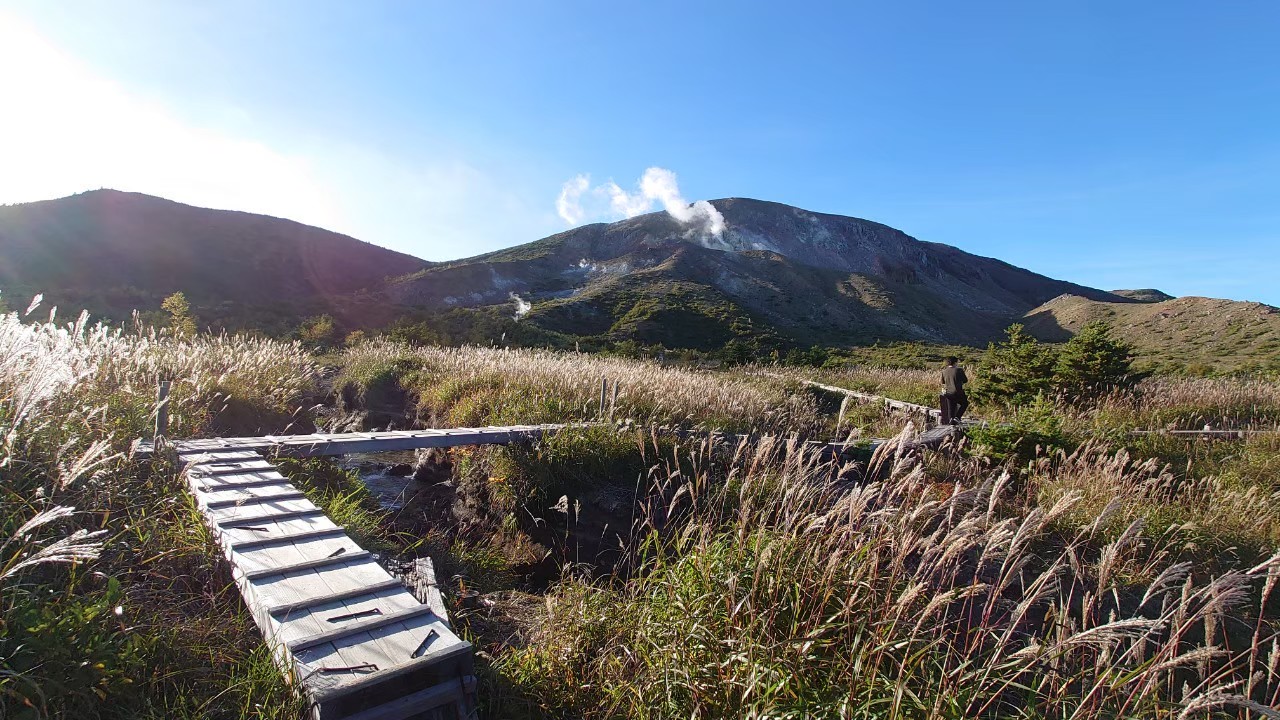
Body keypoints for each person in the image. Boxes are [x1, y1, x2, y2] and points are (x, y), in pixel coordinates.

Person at [940, 356, 969, 425]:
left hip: (948, 393)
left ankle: (951, 421)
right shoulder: (959, 370)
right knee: (964, 404)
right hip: (958, 392)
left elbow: (942, 382)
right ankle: (957, 417)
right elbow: (965, 380)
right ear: (955, 362)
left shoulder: (944, 371)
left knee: (951, 408)